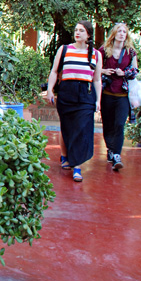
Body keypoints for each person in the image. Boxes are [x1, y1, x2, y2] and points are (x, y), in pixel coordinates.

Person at [46, 21, 102, 182]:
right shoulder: (64, 49)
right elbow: (54, 71)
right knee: (68, 127)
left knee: (82, 129)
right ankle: (65, 156)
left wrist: (98, 100)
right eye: (76, 30)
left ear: (88, 35)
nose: (77, 33)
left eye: (81, 31)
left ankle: (77, 165)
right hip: (67, 92)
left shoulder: (96, 54)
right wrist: (50, 89)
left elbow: (97, 80)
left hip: (85, 94)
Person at [99, 23, 138, 171]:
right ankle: (110, 148)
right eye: (119, 31)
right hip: (107, 93)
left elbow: (135, 71)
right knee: (108, 124)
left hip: (123, 94)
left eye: (124, 31)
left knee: (120, 124)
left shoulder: (131, 52)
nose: (122, 34)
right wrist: (104, 71)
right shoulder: (104, 50)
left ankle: (116, 155)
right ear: (114, 34)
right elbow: (95, 68)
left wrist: (125, 73)